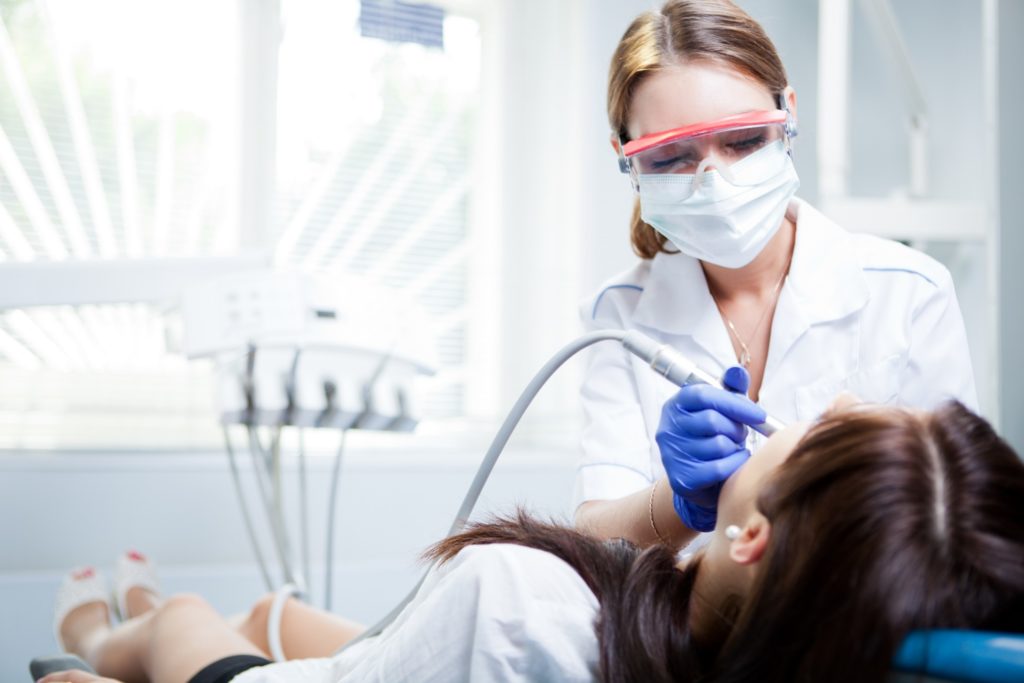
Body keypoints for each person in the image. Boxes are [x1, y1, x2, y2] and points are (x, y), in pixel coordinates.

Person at [40, 399, 1024, 683]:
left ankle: (93, 637)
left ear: (754, 538)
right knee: (275, 612)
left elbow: (540, 600)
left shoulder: (519, 601)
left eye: (808, 431)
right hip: (439, 660)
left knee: (186, 619)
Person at [574, 0, 978, 550]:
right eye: (671, 157)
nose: (715, 181)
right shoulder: (618, 315)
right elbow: (593, 540)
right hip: (688, 622)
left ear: (787, 114)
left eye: (743, 141)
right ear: (625, 156)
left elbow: (962, 517)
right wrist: (677, 502)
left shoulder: (909, 291)